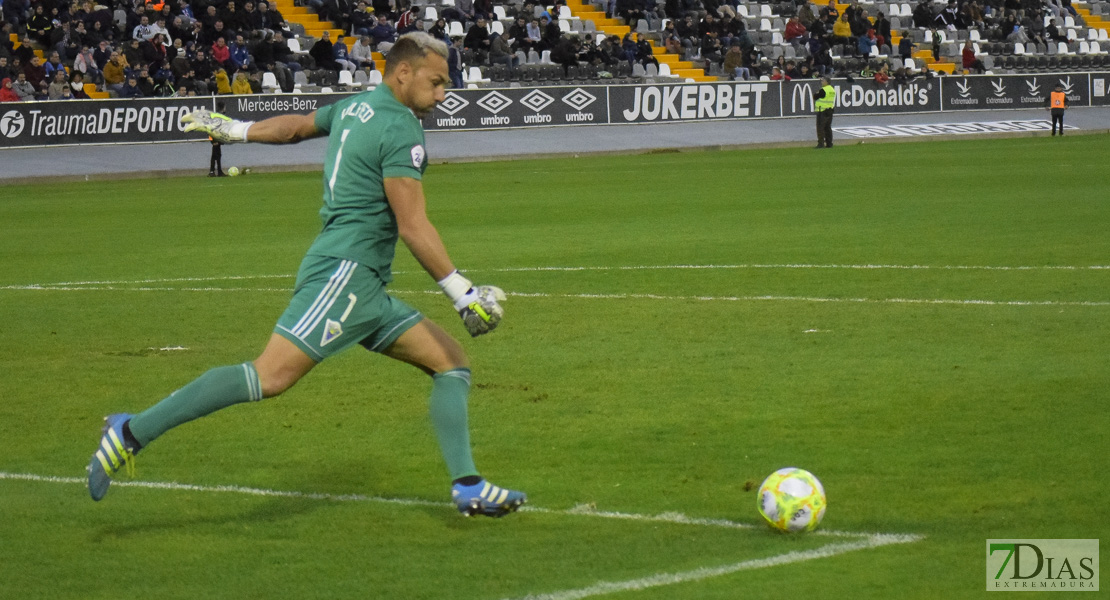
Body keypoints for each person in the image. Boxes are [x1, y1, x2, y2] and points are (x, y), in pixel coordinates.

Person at [86, 32, 527, 520]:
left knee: (451, 363)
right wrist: (462, 293)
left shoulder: (355, 107)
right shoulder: (401, 127)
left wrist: (236, 129)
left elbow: (295, 127)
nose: (442, 95)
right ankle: (130, 432)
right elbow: (413, 224)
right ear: (404, 72)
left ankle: (467, 485)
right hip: (345, 275)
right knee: (268, 376)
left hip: (366, 287)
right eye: (436, 82)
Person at [813, 76, 835, 148]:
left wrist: (816, 94)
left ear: (827, 82)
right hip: (830, 110)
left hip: (822, 110)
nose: (821, 82)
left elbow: (815, 96)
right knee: (828, 127)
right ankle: (829, 143)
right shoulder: (832, 89)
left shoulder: (823, 90)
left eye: (823, 81)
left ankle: (821, 143)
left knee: (820, 127)